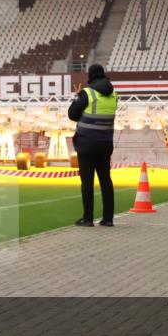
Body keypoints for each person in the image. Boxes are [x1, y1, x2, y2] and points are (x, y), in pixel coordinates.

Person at [68, 64, 118, 227]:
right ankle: (108, 219)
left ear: (90, 76)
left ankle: (88, 218)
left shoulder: (87, 93)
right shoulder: (114, 94)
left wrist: (77, 97)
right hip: (105, 144)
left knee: (87, 182)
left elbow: (72, 114)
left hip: (87, 144)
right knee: (106, 181)